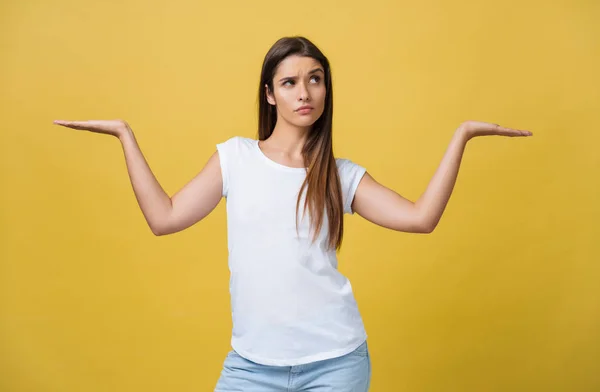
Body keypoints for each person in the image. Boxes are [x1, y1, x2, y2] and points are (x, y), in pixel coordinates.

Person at [53, 36, 532, 391]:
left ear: (325, 91)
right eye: (290, 82)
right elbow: (165, 218)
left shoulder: (339, 175)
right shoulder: (234, 158)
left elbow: (420, 217)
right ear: (270, 94)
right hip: (250, 367)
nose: (305, 92)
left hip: (336, 365)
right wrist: (125, 136)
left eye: (315, 80)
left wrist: (462, 135)